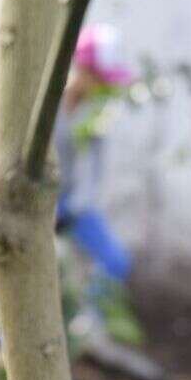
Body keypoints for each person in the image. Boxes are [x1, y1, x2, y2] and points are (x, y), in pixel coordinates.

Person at [54, 23, 142, 346]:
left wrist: (75, 210)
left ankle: (87, 329)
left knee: (114, 261)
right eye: (100, 79)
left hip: (73, 206)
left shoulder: (95, 117)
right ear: (84, 70)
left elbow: (91, 174)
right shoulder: (50, 106)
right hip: (44, 202)